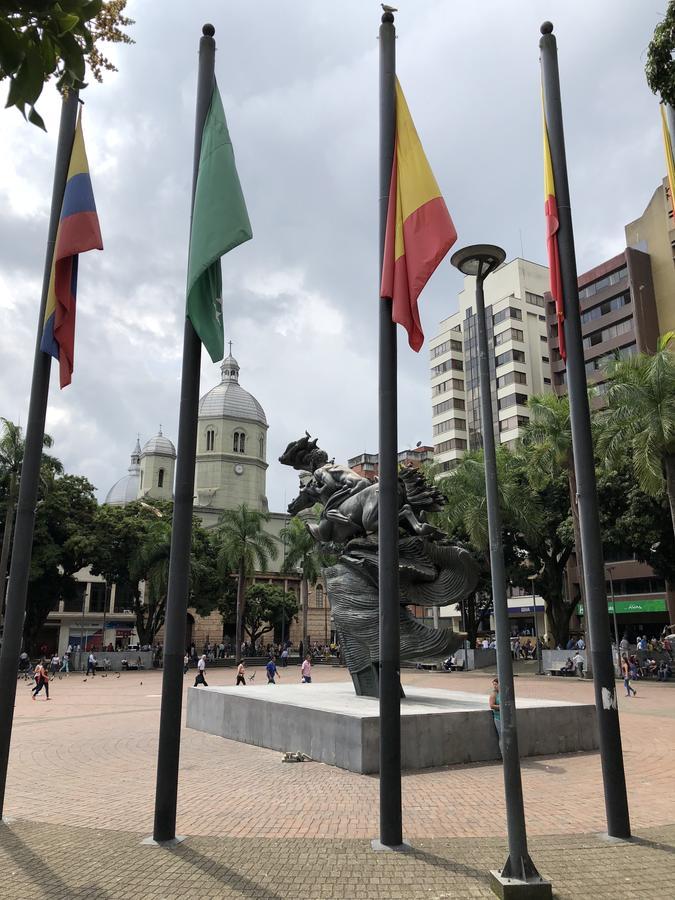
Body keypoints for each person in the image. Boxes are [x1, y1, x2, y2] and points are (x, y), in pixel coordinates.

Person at [488, 677, 502, 757]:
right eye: (494, 685)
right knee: (502, 736)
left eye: (496, 684)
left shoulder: (504, 693)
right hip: (498, 717)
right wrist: (502, 707)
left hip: (506, 717)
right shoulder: (494, 694)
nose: (494, 686)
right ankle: (504, 755)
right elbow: (491, 705)